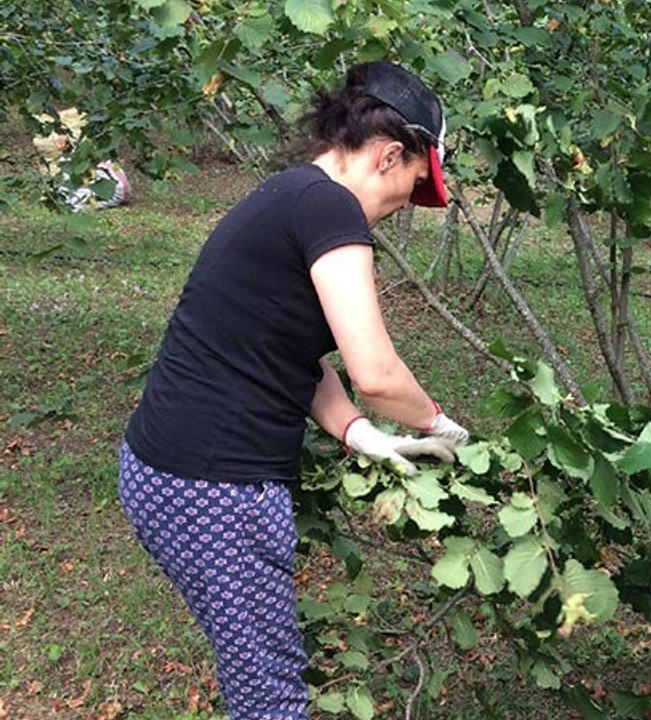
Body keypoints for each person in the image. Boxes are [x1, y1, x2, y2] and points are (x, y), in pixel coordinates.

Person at [117, 61, 470, 720]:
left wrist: (354, 429)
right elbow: (376, 373)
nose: (400, 210)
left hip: (163, 468)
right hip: (212, 488)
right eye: (409, 189)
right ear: (392, 154)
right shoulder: (330, 207)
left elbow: (284, 345)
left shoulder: (291, 192)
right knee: (270, 694)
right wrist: (444, 428)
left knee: (253, 663)